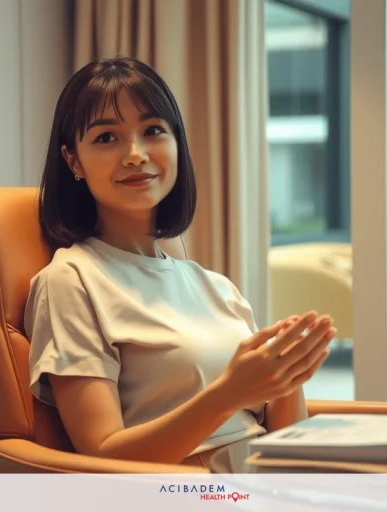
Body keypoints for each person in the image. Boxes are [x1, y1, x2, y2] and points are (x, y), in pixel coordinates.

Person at [23, 56, 336, 469]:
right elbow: (102, 456)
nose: (135, 155)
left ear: (176, 143)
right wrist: (229, 394)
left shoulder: (216, 287)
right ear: (73, 161)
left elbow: (282, 444)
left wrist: (284, 379)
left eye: (153, 131)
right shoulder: (71, 281)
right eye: (105, 138)